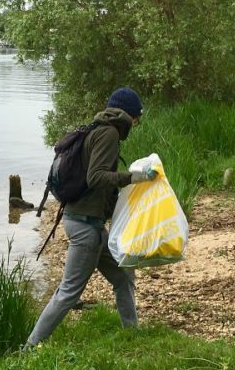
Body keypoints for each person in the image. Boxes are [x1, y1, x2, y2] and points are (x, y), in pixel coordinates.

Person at [26, 87, 156, 346]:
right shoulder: (108, 133)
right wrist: (134, 177)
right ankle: (29, 348)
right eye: (136, 118)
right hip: (86, 228)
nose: (136, 123)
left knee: (123, 276)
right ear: (128, 114)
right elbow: (95, 177)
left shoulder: (97, 128)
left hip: (89, 225)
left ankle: (132, 335)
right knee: (68, 293)